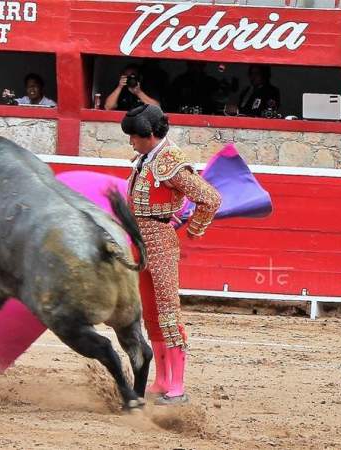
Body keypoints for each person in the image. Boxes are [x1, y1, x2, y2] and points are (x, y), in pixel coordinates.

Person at [122, 105, 221, 405]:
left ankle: (177, 385)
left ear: (150, 135)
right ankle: (162, 379)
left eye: (134, 138)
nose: (131, 143)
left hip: (161, 244)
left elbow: (210, 199)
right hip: (140, 242)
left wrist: (195, 229)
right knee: (151, 314)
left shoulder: (171, 162)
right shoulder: (146, 158)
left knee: (168, 312)